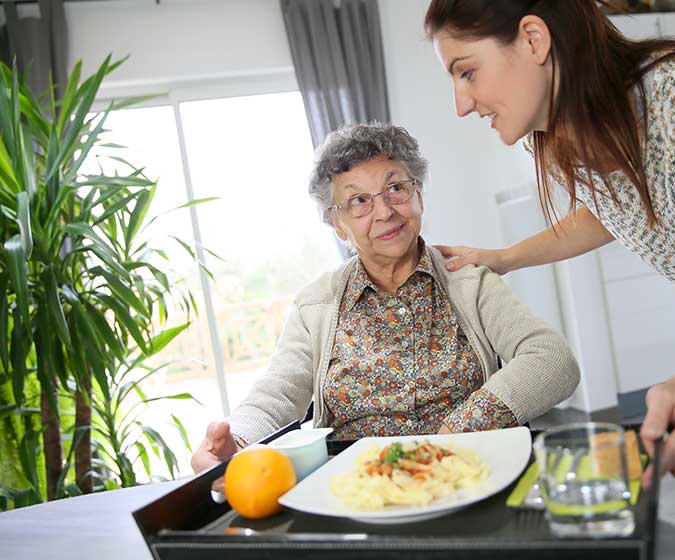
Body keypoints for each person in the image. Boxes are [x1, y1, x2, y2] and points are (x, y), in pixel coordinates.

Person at [424, 1, 675, 558]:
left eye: (466, 71)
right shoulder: (552, 126)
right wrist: (504, 257)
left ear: (533, 40)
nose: (461, 104)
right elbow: (609, 208)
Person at [191, 122, 580, 471]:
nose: (384, 211)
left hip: (467, 470)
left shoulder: (469, 281)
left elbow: (552, 360)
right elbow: (277, 393)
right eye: (358, 200)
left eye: (395, 188)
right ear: (338, 224)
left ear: (419, 197)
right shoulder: (316, 304)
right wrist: (235, 439)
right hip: (356, 488)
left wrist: (453, 434)